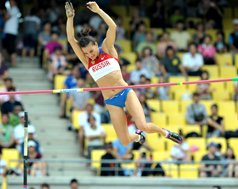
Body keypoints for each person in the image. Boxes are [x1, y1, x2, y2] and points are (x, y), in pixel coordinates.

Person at [66, 2, 182, 148]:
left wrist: (99, 11)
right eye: (86, 53)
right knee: (125, 140)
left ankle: (164, 133)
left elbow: (113, 27)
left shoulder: (107, 49)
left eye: (91, 51)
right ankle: (138, 137)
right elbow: (71, 39)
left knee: (143, 125)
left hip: (125, 92)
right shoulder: (86, 60)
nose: (90, 55)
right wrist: (70, 18)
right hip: (111, 101)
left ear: (96, 45)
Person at [3, 0, 20, 66]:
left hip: (12, 32)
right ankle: (11, 63)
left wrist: (5, 15)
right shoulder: (10, 10)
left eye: (11, 2)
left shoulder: (14, 9)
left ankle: (13, 64)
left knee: (12, 48)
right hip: (8, 32)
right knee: (9, 48)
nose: (10, 3)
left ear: (15, 2)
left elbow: (6, 18)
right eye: (9, 2)